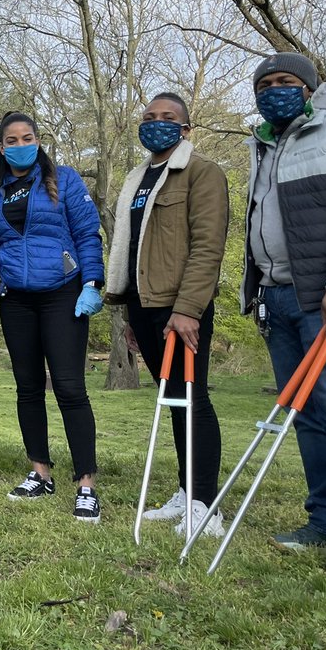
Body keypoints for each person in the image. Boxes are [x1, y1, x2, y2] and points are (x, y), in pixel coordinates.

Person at [242, 52, 326, 581]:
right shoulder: (264, 142)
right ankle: (324, 518)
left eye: (286, 82)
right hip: (277, 297)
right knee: (307, 415)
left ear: (310, 87)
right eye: (266, 84)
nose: (275, 90)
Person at [0, 112, 105, 522]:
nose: (20, 144)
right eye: (11, 139)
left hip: (63, 295)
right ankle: (40, 472)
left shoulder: (65, 179)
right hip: (16, 299)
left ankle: (86, 484)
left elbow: (87, 233)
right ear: (1, 147)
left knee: (70, 388)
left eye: (28, 138)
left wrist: (92, 283)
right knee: (27, 388)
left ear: (38, 141)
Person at [105, 93, 229, 536]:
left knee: (193, 399)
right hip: (143, 306)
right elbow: (131, 250)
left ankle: (206, 505)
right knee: (171, 398)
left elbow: (207, 246)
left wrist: (189, 309)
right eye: (149, 117)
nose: (157, 123)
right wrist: (128, 317)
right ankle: (185, 489)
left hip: (181, 308)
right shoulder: (138, 178)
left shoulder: (202, 173)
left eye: (168, 118)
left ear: (186, 129)